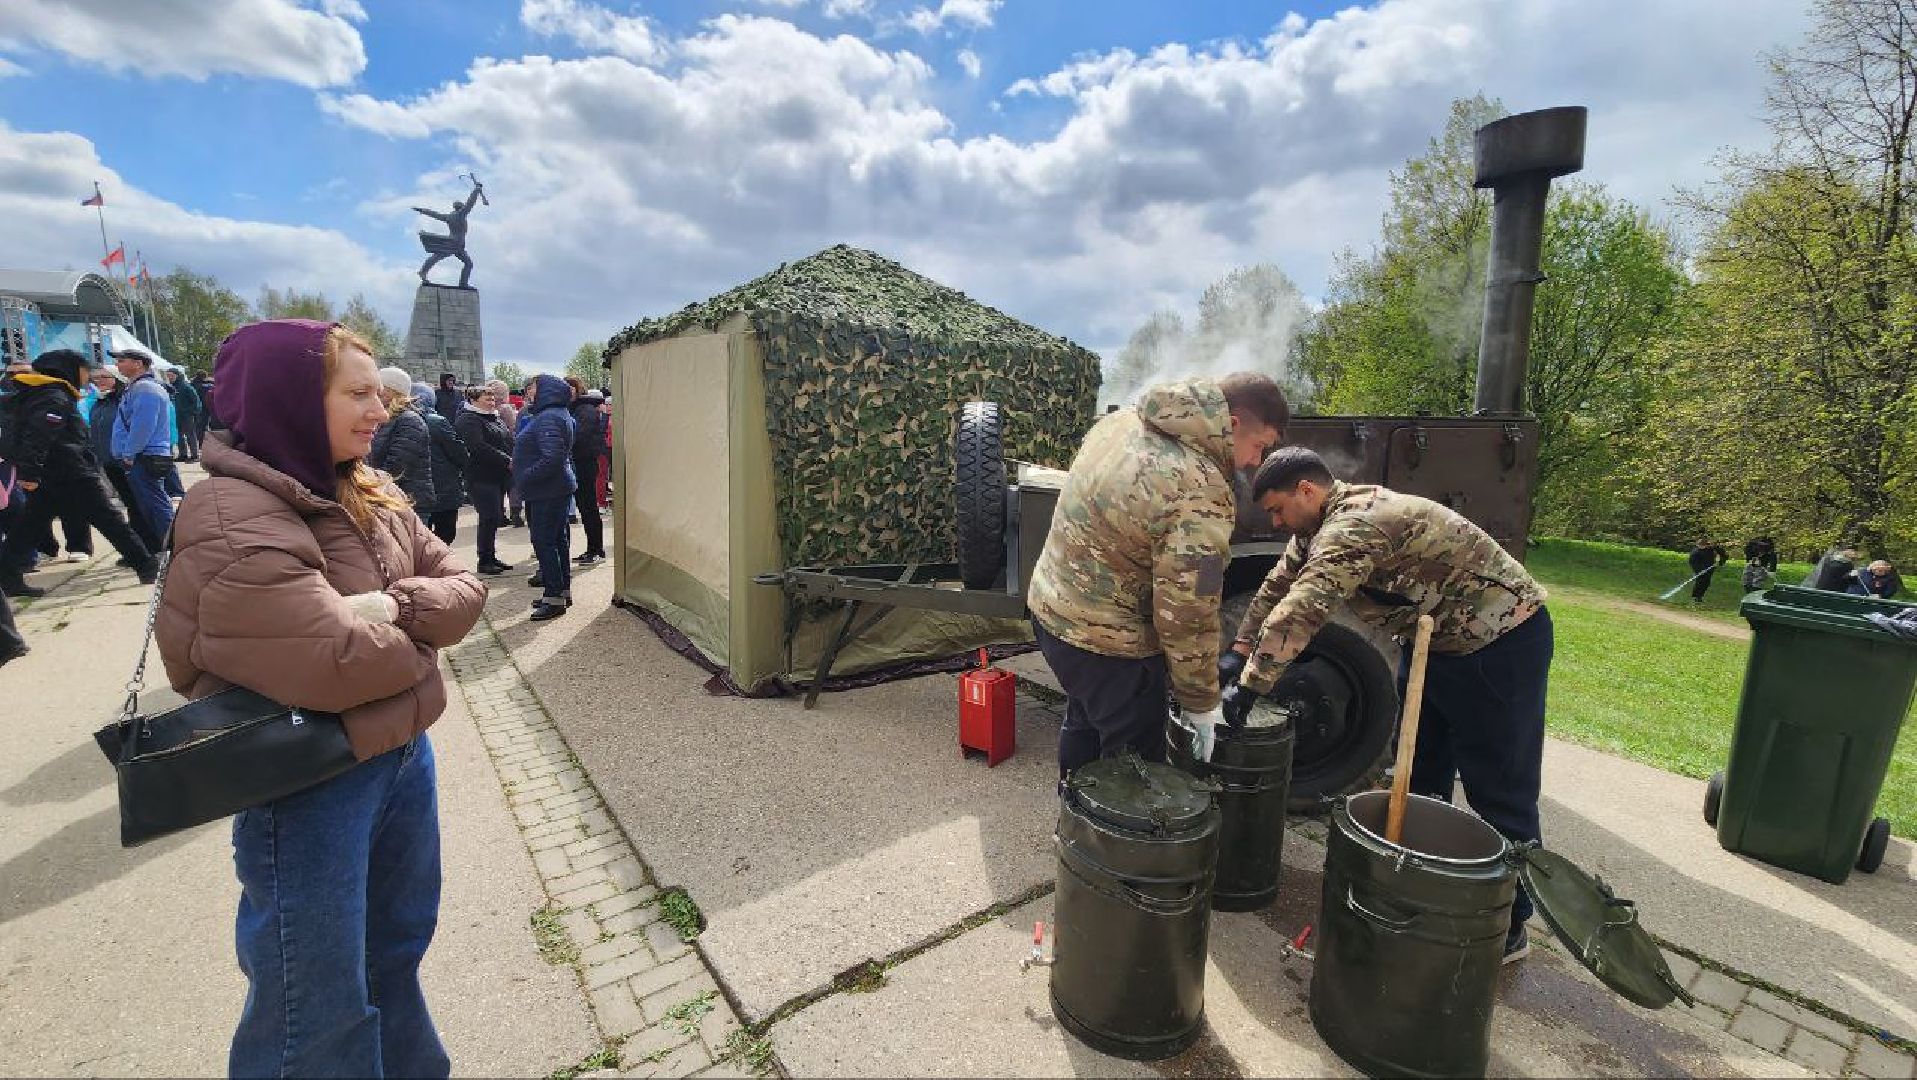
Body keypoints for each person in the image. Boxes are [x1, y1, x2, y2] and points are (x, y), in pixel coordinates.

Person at [154, 318, 483, 1078]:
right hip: (307, 784)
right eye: (358, 393)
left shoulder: (365, 483)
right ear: (292, 400)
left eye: (380, 393)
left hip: (398, 757)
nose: (380, 409)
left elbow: (466, 588)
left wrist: (394, 610)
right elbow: (336, 661)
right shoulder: (232, 514)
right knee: (315, 1003)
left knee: (394, 954)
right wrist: (422, 621)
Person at [1221, 447, 1549, 963]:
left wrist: (1251, 685)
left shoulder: (1355, 527)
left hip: (1498, 642)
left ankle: (1508, 925)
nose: (1276, 521)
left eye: (1279, 509)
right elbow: (1276, 588)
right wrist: (1238, 650)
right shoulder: (1313, 529)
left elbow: (1304, 608)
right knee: (1417, 774)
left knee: (1499, 786)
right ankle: (1424, 889)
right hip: (1434, 642)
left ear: (1308, 490)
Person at [1026, 373, 1288, 777]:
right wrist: (1201, 703)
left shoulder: (1124, 421)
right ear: (1233, 424)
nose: (1255, 463)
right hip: (1109, 647)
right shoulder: (1201, 488)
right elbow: (1187, 613)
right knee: (1135, 773)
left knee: (1083, 723)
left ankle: (1074, 821)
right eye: (1259, 447)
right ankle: (1114, 840)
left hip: (1052, 615)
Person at [0, 349, 158, 597]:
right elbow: (38, 436)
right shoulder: (53, 396)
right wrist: (29, 473)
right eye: (85, 371)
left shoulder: (42, 393)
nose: (89, 377)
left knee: (29, 526)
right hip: (69, 471)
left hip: (55, 472)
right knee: (109, 519)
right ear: (68, 370)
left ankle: (7, 576)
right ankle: (146, 565)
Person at [514, 374, 578, 621]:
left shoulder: (550, 416)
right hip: (552, 489)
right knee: (557, 541)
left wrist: (524, 476)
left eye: (534, 388)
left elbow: (552, 458)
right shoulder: (555, 414)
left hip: (547, 490)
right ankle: (560, 592)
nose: (530, 392)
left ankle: (554, 597)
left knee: (545, 542)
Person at [88, 367, 163, 553]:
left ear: (117, 378)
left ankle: (152, 545)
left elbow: (139, 427)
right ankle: (141, 546)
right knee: (131, 504)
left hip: (129, 459)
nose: (99, 381)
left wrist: (128, 453)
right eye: (95, 378)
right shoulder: (100, 401)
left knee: (140, 504)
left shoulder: (126, 398)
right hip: (109, 460)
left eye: (104, 377)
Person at [110, 347, 178, 544]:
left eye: (122, 360)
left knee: (156, 506)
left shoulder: (145, 389)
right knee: (150, 506)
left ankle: (173, 545)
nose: (118, 364)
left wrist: (129, 453)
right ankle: (167, 545)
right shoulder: (138, 387)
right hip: (143, 455)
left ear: (138, 363)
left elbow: (143, 426)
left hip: (145, 456)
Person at [454, 383, 514, 575]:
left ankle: (491, 556)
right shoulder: (468, 419)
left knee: (494, 517)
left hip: (498, 475)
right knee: (488, 517)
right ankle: (484, 559)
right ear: (473, 400)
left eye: (492, 398)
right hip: (481, 477)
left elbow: (506, 439)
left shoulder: (494, 418)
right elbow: (477, 446)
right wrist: (507, 460)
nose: (491, 401)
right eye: (487, 398)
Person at [369, 367, 437, 517]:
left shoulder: (409, 420)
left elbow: (397, 466)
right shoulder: (383, 419)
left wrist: (370, 488)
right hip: (388, 499)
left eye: (377, 389)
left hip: (408, 503)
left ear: (390, 391)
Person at [411, 383, 468, 545]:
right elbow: (459, 452)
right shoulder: (436, 421)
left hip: (416, 490)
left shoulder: (397, 420)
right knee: (445, 531)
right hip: (443, 486)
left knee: (421, 535)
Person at [565, 378, 607, 565]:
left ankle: (595, 549)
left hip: (584, 464)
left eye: (570, 388)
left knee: (588, 508)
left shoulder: (585, 410)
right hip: (580, 462)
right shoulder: (578, 408)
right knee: (585, 507)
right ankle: (593, 548)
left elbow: (578, 435)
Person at [491, 380, 523, 527]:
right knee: (513, 484)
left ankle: (499, 514)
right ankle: (515, 513)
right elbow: (513, 429)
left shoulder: (486, 409)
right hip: (509, 450)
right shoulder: (505, 409)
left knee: (498, 484)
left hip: (494, 452)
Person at [166, 368, 204, 462]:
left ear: (177, 375)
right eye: (168, 376)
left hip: (187, 415)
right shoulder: (171, 387)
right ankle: (183, 454)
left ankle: (195, 455)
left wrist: (191, 412)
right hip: (176, 415)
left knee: (190, 435)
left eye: (171, 375)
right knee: (179, 436)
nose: (170, 377)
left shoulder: (186, 387)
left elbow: (196, 401)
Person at [1686, 539, 1728, 604]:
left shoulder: (1710, 549)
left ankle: (1700, 597)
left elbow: (1723, 554)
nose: (1702, 547)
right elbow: (1693, 562)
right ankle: (1696, 597)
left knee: (1706, 583)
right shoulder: (1695, 552)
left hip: (1709, 569)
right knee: (1699, 582)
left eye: (1703, 545)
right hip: (1700, 570)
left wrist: (1720, 562)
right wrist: (1699, 570)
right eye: (1700, 545)